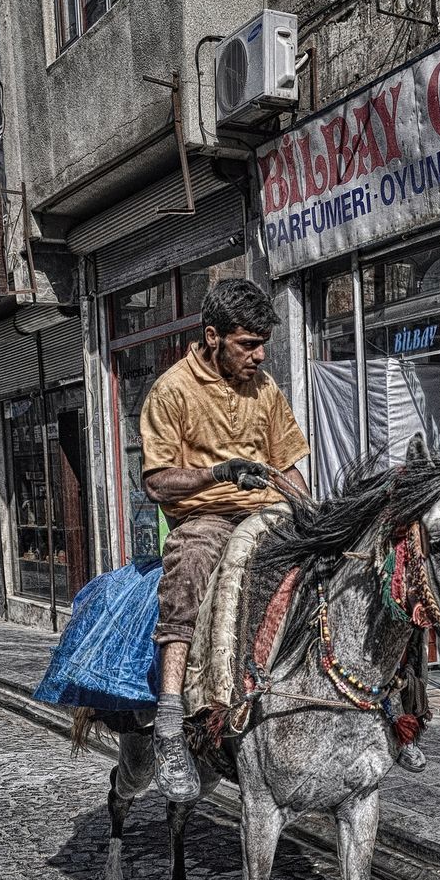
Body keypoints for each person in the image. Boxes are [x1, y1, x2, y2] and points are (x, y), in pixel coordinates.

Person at [141, 278, 310, 802]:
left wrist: (314, 515)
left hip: (267, 515)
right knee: (191, 568)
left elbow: (288, 468)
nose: (259, 356)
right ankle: (170, 722)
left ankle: (382, 704)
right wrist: (218, 474)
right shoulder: (172, 390)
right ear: (212, 337)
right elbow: (156, 480)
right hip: (207, 518)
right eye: (248, 344)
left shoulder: (266, 390)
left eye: (264, 344)